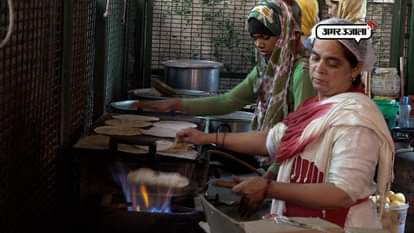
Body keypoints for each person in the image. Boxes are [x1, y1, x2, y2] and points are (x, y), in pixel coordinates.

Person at [176, 18, 394, 228]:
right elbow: (271, 140)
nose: (319, 68)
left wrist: (268, 188)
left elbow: (341, 194)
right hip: (302, 223)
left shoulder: (355, 122)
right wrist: (207, 138)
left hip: (340, 226)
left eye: (333, 62)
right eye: (315, 58)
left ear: (356, 68)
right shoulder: (317, 107)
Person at [136, 0, 315, 131]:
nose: (259, 44)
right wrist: (176, 104)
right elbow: (228, 101)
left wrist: (270, 176)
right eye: (255, 38)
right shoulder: (266, 70)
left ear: (286, 34)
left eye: (265, 37)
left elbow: (302, 132)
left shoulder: (301, 72)